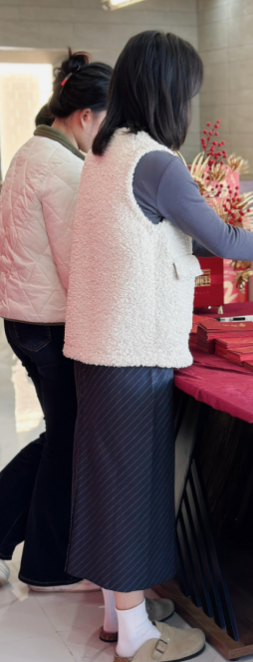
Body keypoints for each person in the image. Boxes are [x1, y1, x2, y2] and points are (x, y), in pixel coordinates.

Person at [63, 30, 253, 662]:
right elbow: (222, 239)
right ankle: (134, 633)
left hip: (98, 345)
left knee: (110, 481)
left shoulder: (105, 151)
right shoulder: (155, 162)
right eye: (189, 92)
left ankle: (122, 613)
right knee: (132, 488)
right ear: (168, 92)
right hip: (131, 351)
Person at [0, 52, 112, 591]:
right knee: (67, 442)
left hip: (23, 320)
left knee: (61, 435)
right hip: (50, 325)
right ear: (86, 115)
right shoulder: (65, 169)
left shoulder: (31, 151)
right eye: (108, 122)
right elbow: (79, 265)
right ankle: (47, 565)